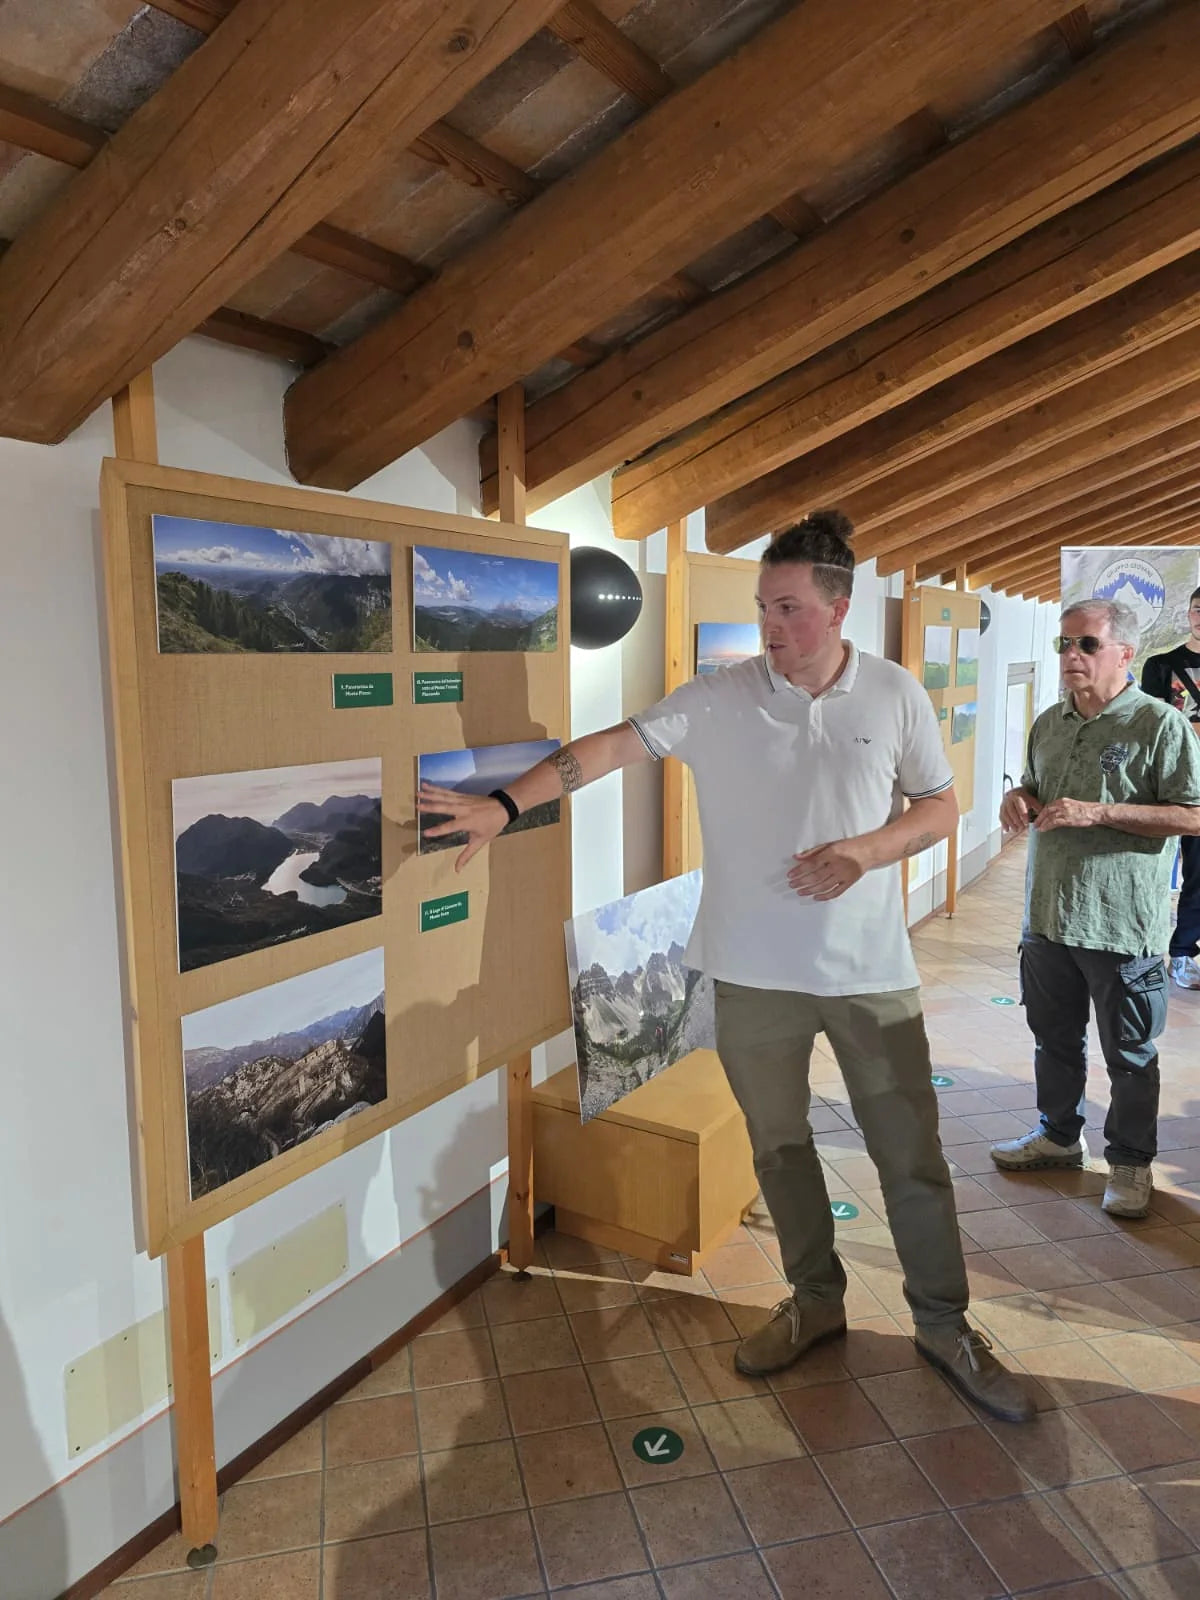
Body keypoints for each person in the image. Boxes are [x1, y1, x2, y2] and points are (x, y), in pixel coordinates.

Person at [419, 509, 1036, 1424]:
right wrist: (505, 806)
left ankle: (944, 1325)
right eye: (761, 608)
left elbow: (941, 809)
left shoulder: (895, 694)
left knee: (910, 1156)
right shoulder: (717, 700)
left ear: (839, 606)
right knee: (780, 1151)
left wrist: (865, 852)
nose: (770, 627)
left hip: (870, 975)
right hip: (750, 976)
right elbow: (607, 749)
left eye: (787, 608)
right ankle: (815, 1302)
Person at [991, 598, 1200, 1218]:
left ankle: (1131, 1164)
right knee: (1053, 1039)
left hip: (1120, 923)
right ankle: (1059, 1136)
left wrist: (1098, 810)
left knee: (1129, 1053)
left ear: (1124, 654)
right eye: (1065, 645)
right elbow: (1033, 785)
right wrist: (1018, 800)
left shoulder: (1161, 725)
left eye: (1086, 645)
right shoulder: (1050, 722)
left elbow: (1192, 813)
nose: (1071, 657)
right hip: (1048, 916)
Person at [1140, 585, 1200, 990]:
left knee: (1198, 873)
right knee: (1149, 867)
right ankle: (1140, 949)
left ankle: (1183, 953)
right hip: (1164, 783)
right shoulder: (1162, 665)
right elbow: (1149, 727)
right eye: (1197, 609)